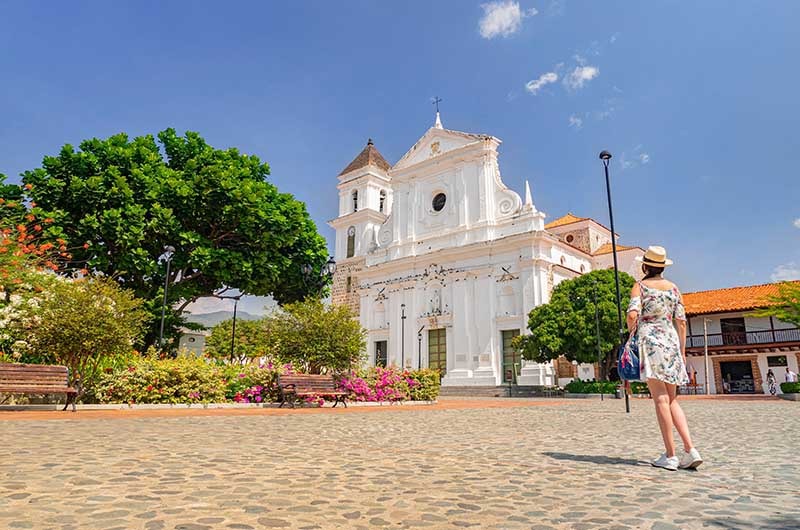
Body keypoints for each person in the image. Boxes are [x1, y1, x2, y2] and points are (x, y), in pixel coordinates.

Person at [627, 246, 702, 471]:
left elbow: (632, 315)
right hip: (671, 342)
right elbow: (681, 321)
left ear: (645, 266)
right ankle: (690, 449)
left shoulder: (639, 286)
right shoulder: (674, 289)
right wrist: (682, 349)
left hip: (651, 341)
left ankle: (670, 455)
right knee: (672, 399)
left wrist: (633, 331)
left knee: (660, 399)